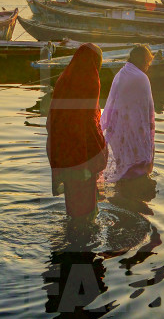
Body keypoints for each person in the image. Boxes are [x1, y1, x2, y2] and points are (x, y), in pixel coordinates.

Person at [47, 43, 107, 218]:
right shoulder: (90, 80)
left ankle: (73, 228)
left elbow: (54, 119)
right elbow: (89, 120)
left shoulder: (64, 79)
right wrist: (98, 150)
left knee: (72, 196)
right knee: (86, 200)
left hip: (64, 150)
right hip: (83, 151)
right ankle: (85, 235)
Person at [101, 45, 156, 184]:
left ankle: (122, 191)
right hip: (134, 130)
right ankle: (135, 192)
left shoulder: (122, 73)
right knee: (137, 167)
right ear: (143, 61)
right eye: (148, 63)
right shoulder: (141, 78)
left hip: (120, 130)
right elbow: (147, 111)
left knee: (124, 167)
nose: (148, 66)